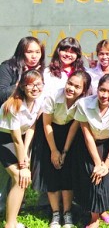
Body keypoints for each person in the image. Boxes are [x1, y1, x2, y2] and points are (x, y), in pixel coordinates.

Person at [73, 74, 109, 228]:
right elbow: (87, 136)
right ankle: (94, 217)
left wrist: (106, 164)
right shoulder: (84, 104)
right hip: (89, 144)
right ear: (97, 89)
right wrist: (98, 164)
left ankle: (103, 210)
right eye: (102, 90)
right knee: (94, 178)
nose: (105, 95)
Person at [40, 70, 91, 228]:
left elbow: (74, 127)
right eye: (70, 83)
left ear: (83, 90)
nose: (71, 88)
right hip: (49, 134)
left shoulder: (83, 102)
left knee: (67, 173)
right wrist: (54, 150)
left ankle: (67, 213)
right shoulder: (53, 96)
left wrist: (65, 151)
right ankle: (56, 214)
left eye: (77, 86)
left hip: (70, 135)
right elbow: (47, 124)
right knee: (52, 173)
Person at [0, 36, 45, 211]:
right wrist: (22, 83)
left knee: (20, 172)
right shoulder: (8, 67)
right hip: (7, 128)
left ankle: (18, 204)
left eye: (37, 52)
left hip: (26, 127)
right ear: (21, 52)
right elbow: (2, 93)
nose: (34, 56)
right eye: (29, 51)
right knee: (9, 172)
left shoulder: (42, 70)